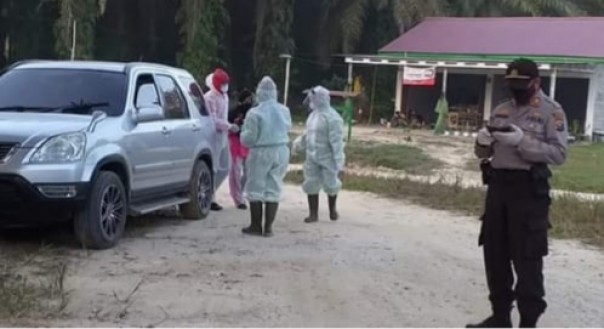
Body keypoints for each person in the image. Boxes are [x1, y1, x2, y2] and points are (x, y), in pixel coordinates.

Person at [467, 58, 568, 328]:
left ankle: (528, 321)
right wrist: (482, 143)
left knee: (527, 259)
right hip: (499, 189)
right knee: (495, 254)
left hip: (528, 193)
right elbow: (483, 152)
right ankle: (500, 316)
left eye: (521, 85)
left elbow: (559, 154)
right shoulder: (501, 110)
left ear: (536, 83)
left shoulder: (551, 112)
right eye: (511, 84)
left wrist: (523, 141)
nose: (516, 90)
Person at [240, 76, 292, 237]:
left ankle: (256, 225)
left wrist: (241, 134)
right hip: (281, 150)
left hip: (261, 151)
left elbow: (249, 138)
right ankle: (269, 227)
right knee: (274, 187)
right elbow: (288, 128)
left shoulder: (255, 112)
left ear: (259, 92)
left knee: (255, 187)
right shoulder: (284, 110)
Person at [292, 86, 345, 223]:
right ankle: (313, 214)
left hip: (328, 156)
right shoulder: (313, 116)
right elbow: (308, 134)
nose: (310, 101)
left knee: (331, 183)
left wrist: (339, 161)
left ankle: (332, 209)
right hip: (312, 155)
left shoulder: (333, 118)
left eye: (312, 98)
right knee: (311, 181)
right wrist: (299, 143)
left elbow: (337, 141)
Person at [204, 69, 239, 211]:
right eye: (223, 83)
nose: (226, 86)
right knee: (214, 167)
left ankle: (210, 191)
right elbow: (212, 119)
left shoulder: (224, 96)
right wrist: (229, 126)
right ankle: (211, 199)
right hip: (213, 135)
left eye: (227, 83)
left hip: (223, 135)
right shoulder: (209, 97)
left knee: (225, 166)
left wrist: (229, 125)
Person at [228, 89, 253, 210]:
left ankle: (242, 192)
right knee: (236, 171)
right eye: (247, 99)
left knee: (248, 171)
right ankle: (237, 198)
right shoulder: (233, 112)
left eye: (250, 99)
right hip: (235, 142)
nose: (249, 102)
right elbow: (228, 125)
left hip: (247, 142)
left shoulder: (252, 112)